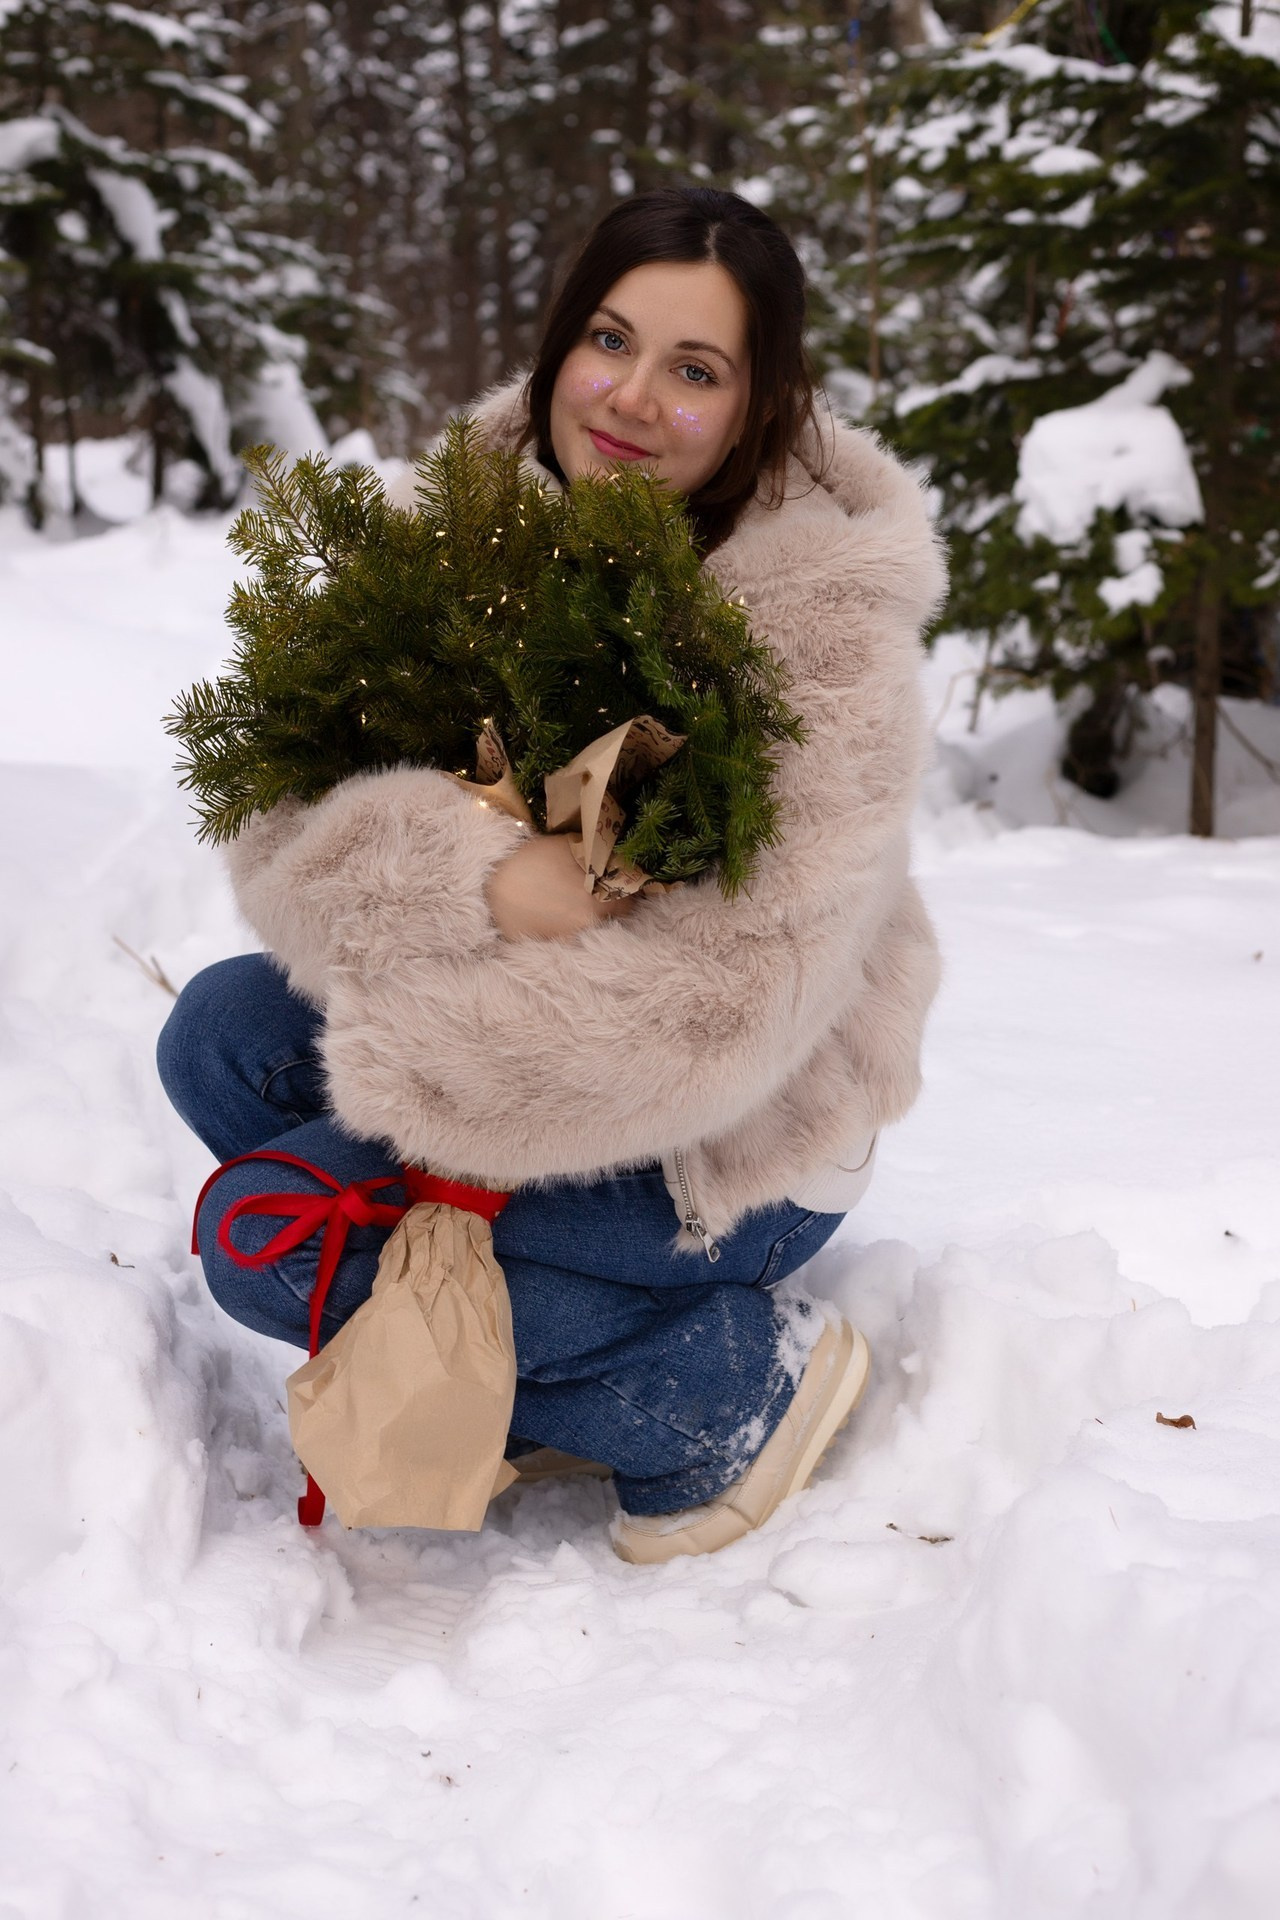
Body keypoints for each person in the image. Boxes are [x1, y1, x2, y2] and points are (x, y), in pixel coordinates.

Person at [157, 185, 945, 1563]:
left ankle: (716, 1394)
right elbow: (278, 827)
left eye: (694, 370)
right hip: (510, 1034)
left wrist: (404, 1089)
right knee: (220, 1038)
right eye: (609, 339)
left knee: (266, 1234)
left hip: (731, 1145)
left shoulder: (821, 634)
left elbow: (716, 1018)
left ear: (757, 403)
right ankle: (533, 1347)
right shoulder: (465, 521)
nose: (631, 398)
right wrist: (473, 882)